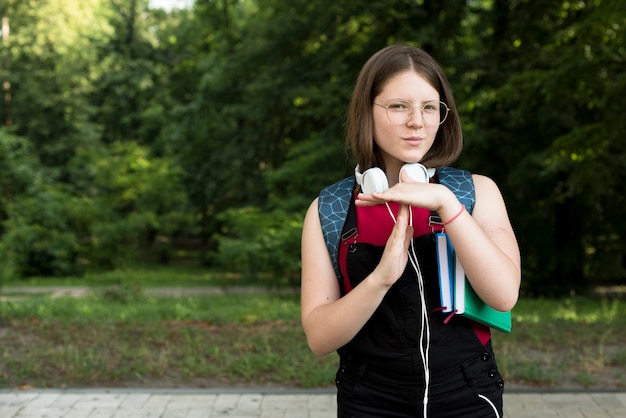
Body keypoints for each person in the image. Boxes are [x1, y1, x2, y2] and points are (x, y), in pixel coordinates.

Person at [300, 44, 521, 418]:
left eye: (430, 107)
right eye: (399, 106)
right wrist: (380, 280)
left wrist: (447, 205)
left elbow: (503, 297)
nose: (417, 121)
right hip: (369, 401)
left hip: (469, 396)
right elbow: (320, 338)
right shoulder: (331, 209)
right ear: (367, 112)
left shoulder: (475, 193)